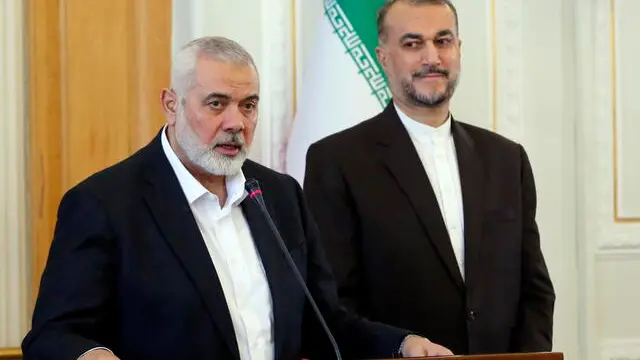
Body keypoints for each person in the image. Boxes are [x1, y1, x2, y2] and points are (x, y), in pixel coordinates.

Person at [21, 36, 451, 360]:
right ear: (171, 104)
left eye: (248, 106)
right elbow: (53, 335)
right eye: (216, 104)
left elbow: (324, 323)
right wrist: (90, 355)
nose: (235, 123)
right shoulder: (104, 204)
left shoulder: (279, 197)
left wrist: (402, 345)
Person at [303, 0, 556, 355]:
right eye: (412, 44)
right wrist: (398, 346)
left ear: (459, 49)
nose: (432, 57)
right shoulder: (337, 160)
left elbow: (535, 290)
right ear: (383, 57)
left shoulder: (506, 158)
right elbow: (333, 302)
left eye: (443, 41)